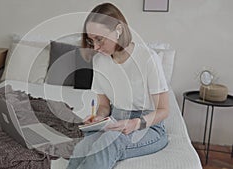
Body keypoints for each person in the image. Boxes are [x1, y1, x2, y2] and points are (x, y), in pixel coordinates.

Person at [67, 3, 169, 169]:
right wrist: (99, 118)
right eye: (91, 40)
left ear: (119, 30)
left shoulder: (148, 58)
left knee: (108, 141)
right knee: (81, 146)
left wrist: (135, 123)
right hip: (115, 121)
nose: (96, 47)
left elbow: (164, 110)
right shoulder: (99, 61)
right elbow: (103, 105)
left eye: (99, 39)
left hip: (148, 126)